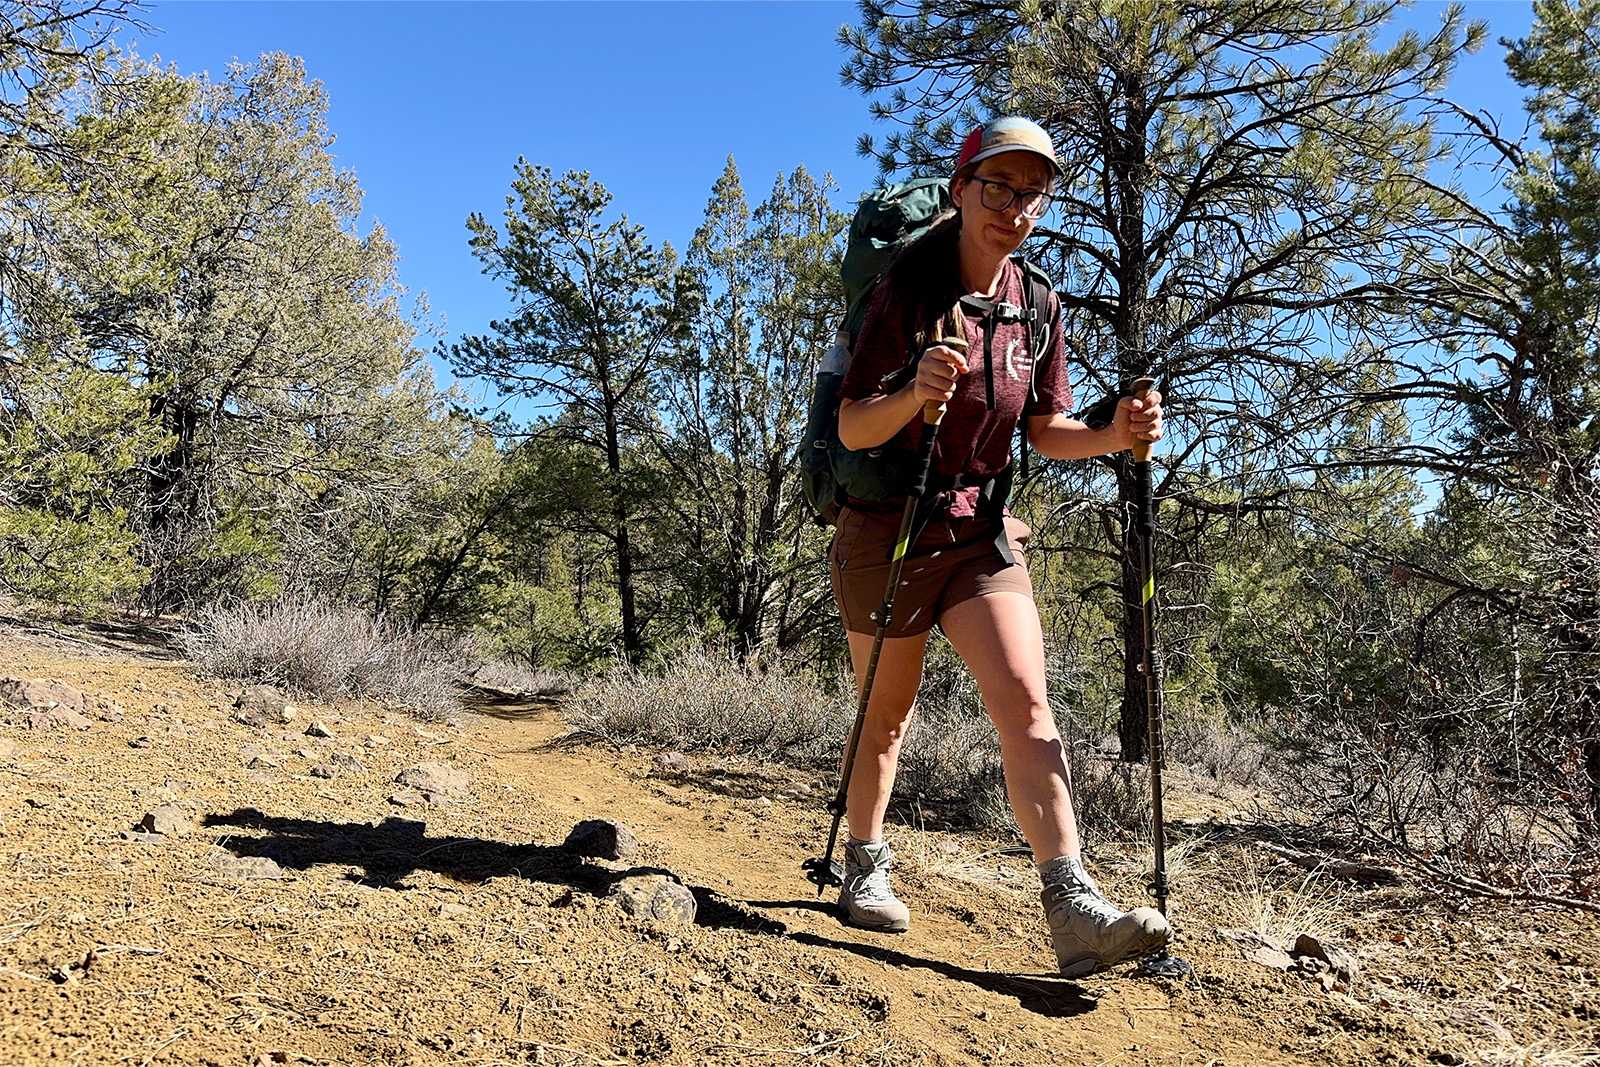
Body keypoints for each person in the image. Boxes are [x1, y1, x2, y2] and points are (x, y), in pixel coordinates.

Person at [829, 116, 1168, 977]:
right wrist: (914, 391)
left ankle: (1072, 903)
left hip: (979, 530)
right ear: (961, 188)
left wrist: (1115, 432)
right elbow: (854, 423)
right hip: (888, 529)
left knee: (1027, 702)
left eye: (1031, 193)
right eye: (998, 188)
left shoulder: (1037, 304)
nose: (1014, 208)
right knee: (886, 715)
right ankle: (864, 862)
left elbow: (1048, 429)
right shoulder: (907, 285)